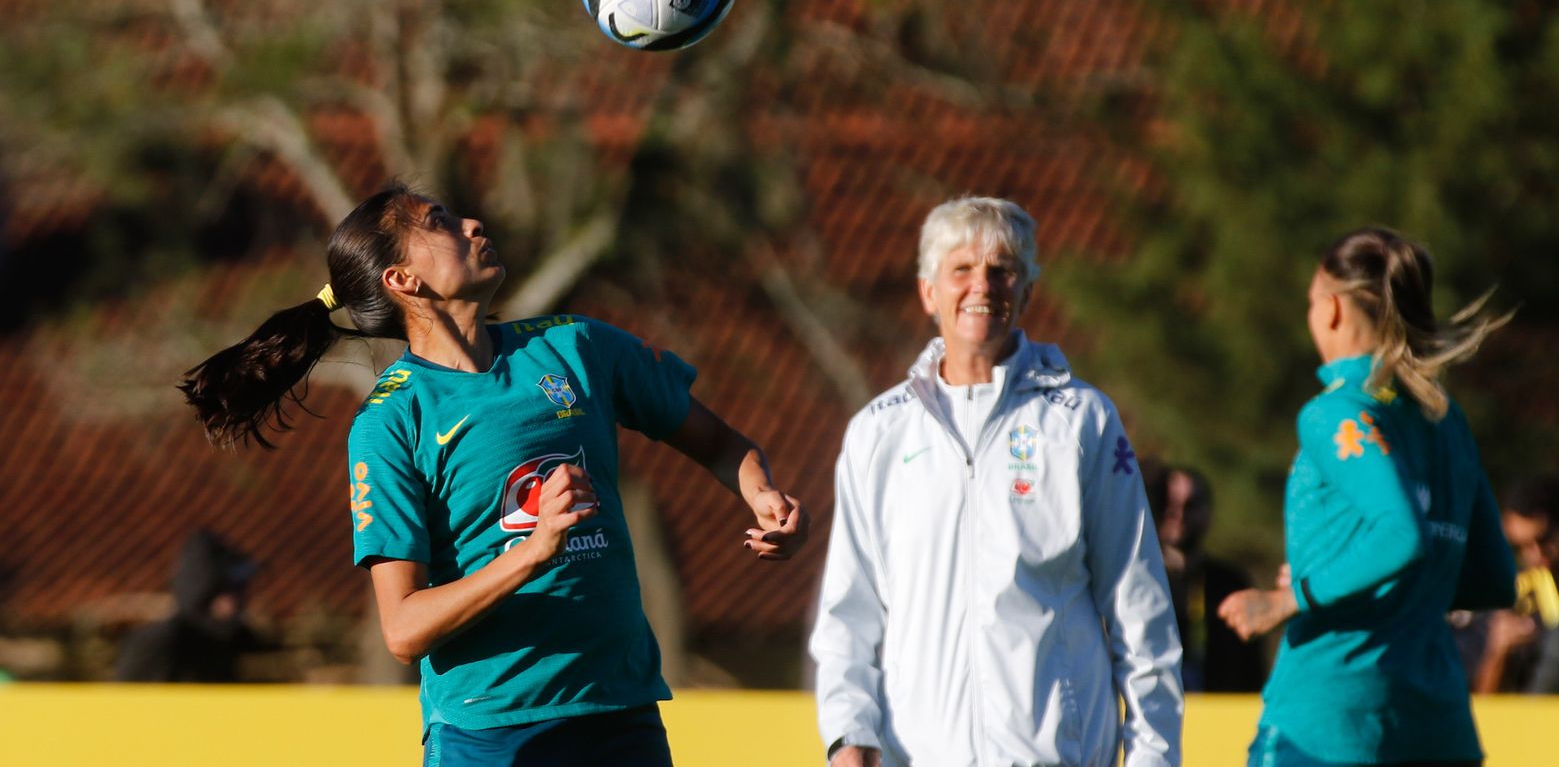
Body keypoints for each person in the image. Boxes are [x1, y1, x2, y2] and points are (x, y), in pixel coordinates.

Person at [179, 184, 808, 766]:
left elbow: (721, 443)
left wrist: (762, 496)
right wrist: (531, 553)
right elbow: (403, 629)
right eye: (439, 223)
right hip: (491, 734)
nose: (472, 223)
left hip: (621, 710)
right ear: (402, 279)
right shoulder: (392, 421)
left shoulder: (577, 347)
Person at [809, 197, 1183, 767]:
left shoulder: (1083, 420)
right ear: (928, 292)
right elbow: (847, 612)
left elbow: (1140, 607)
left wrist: (1154, 757)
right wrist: (847, 734)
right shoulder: (876, 433)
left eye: (1002, 269)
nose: (982, 284)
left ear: (1026, 291)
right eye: (961, 268)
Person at [1218, 227, 1518, 767]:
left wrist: (1292, 598)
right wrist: (1368, 584)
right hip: (1437, 723)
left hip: (1336, 721)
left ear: (1330, 309)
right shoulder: (1447, 420)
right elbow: (1494, 577)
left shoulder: (1336, 411)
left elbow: (1402, 536)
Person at [1141, 460, 1265, 692]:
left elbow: (1252, 672)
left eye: (1191, 504)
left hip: (1218, 720)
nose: (1178, 514)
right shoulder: (1136, 584)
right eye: (1169, 503)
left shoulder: (1230, 584)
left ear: (1208, 513)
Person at [1473, 476, 1559, 694]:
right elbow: (1482, 703)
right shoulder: (1511, 593)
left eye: (1543, 540)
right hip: (1532, 724)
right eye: (1520, 546)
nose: (1534, 554)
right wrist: (1497, 652)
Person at [115, 529, 262, 682]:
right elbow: (129, 704)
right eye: (221, 591)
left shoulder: (240, 644)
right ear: (197, 591)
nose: (234, 603)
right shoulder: (161, 644)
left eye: (240, 589)